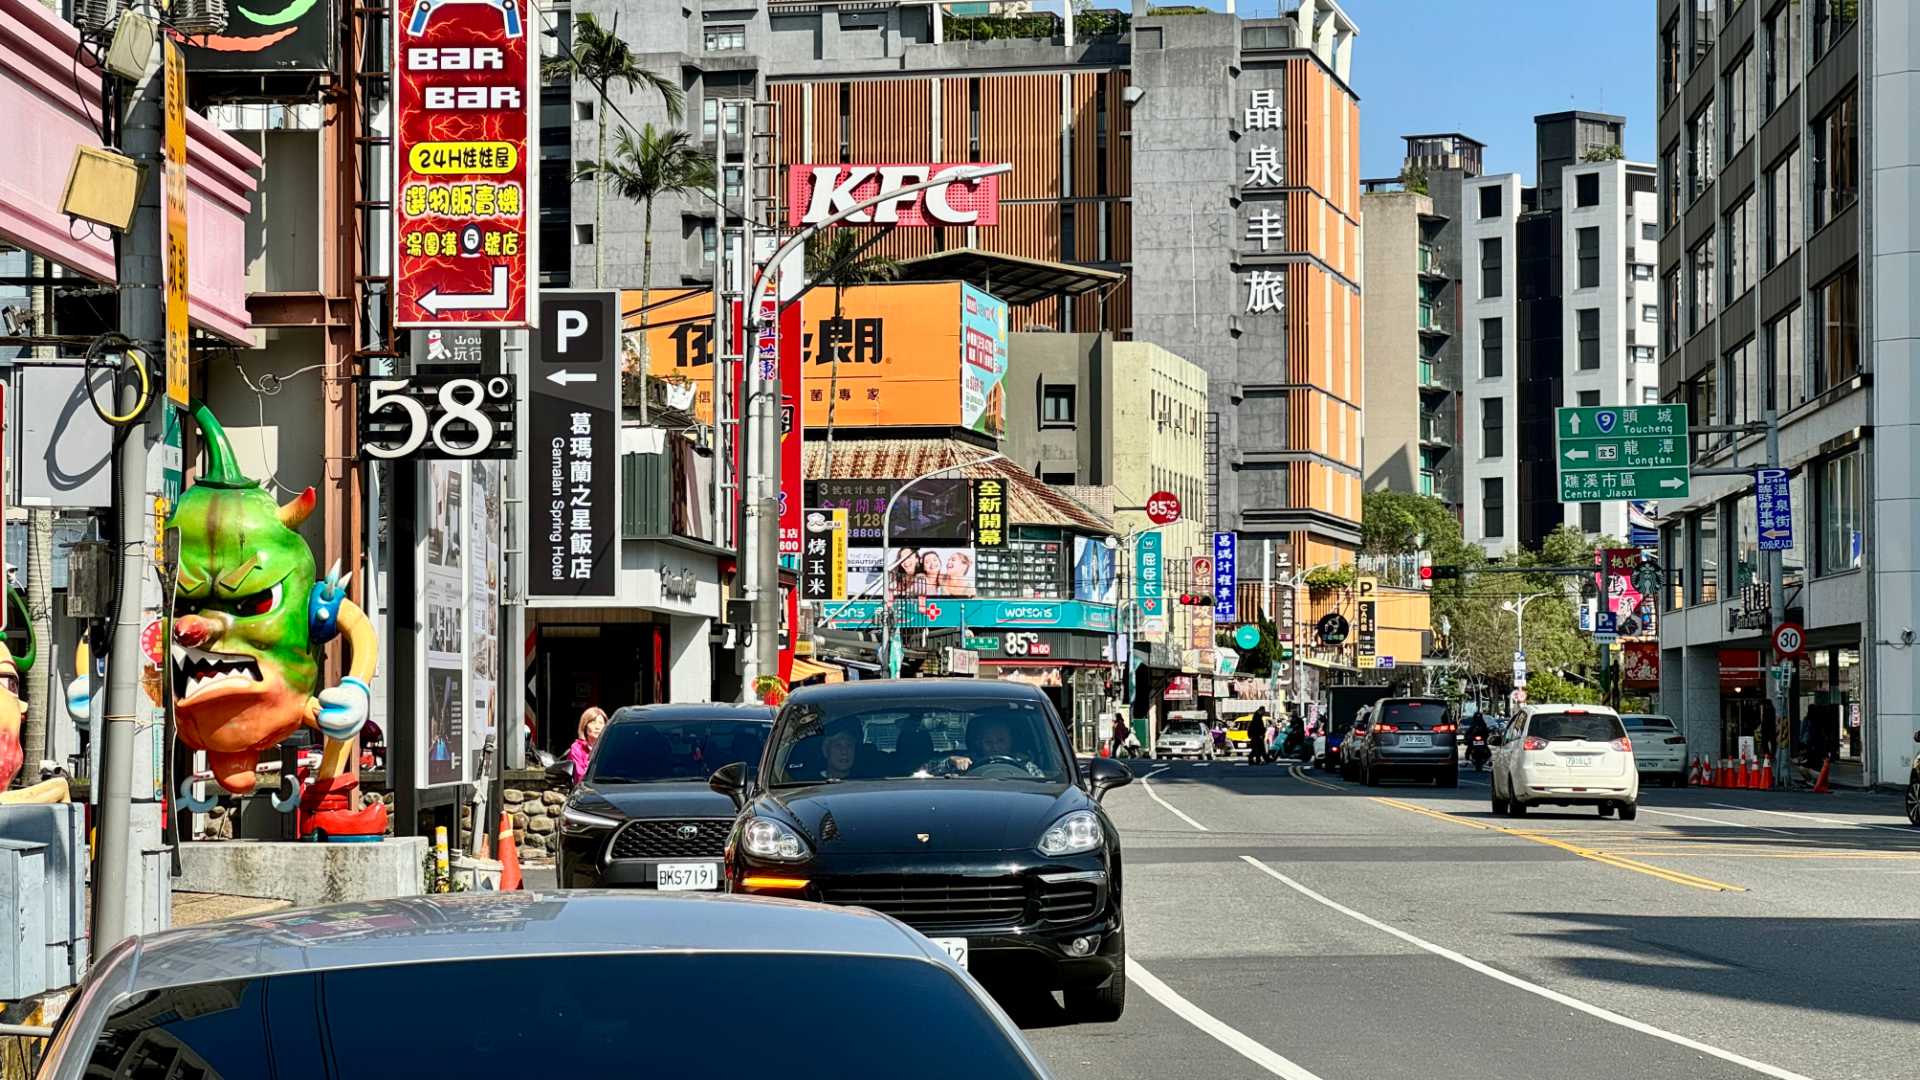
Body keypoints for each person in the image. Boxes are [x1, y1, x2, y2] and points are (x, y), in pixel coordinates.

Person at [567, 706, 607, 783]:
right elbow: (580, 776)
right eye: (593, 722)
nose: (597, 727)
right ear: (585, 726)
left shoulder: (609, 747)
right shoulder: (577, 748)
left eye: (601, 723)